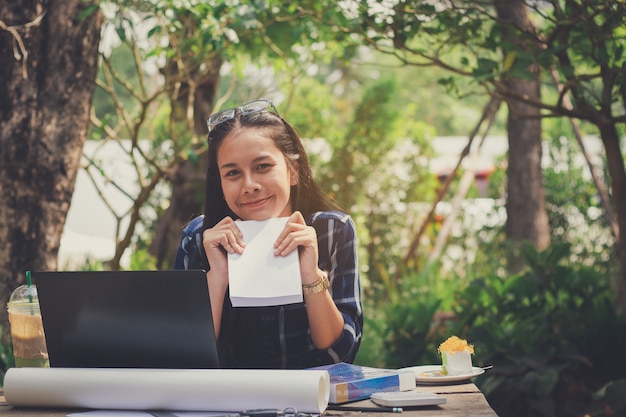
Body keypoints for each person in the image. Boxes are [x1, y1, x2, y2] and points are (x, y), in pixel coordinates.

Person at [174, 99, 363, 369]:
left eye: (262, 167)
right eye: (233, 173)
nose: (249, 185)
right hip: (227, 403)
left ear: (293, 171)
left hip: (311, 402)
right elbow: (184, 360)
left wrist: (311, 278)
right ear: (220, 182)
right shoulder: (199, 238)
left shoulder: (332, 231)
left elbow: (339, 355)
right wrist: (217, 278)